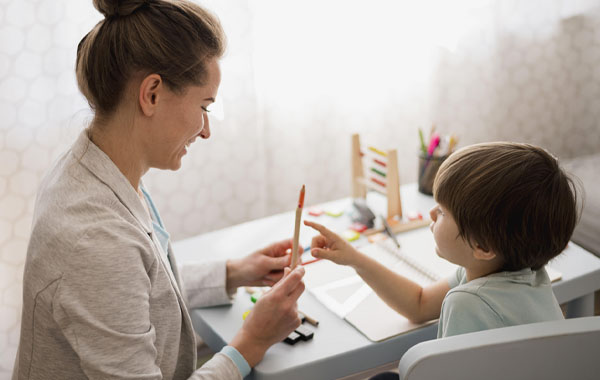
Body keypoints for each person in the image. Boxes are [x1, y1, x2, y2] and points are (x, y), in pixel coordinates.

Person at [12, 1, 305, 379]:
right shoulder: (93, 238)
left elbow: (140, 286)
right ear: (151, 93)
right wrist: (252, 342)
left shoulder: (95, 169)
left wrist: (232, 273)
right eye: (204, 106)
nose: (205, 130)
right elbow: (114, 266)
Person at [306, 142, 579, 340]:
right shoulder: (528, 273)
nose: (431, 213)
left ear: (483, 247)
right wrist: (356, 259)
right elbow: (419, 304)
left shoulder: (468, 303)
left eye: (443, 211)